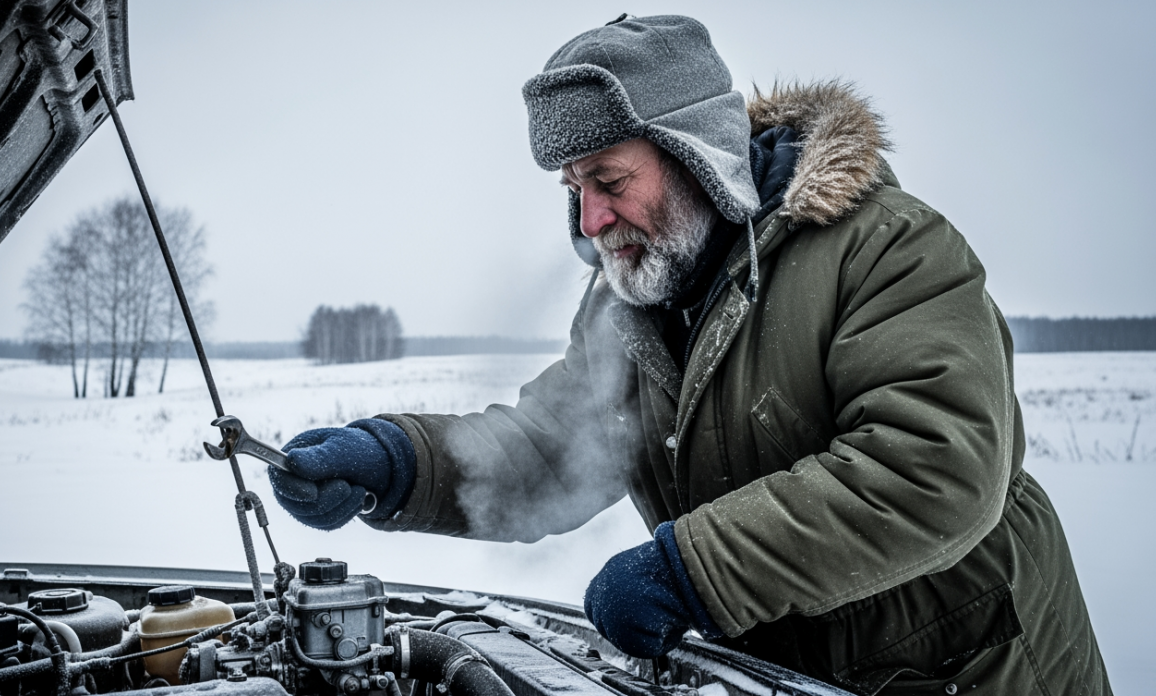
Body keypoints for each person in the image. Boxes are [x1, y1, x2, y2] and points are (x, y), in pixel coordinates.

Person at [269, 15, 1112, 696]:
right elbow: (550, 449)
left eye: (610, 181)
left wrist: (691, 572)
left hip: (962, 672)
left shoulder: (888, 249)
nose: (591, 221)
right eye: (574, 190)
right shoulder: (627, 307)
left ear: (697, 155)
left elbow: (934, 466)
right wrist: (396, 464)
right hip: (779, 674)